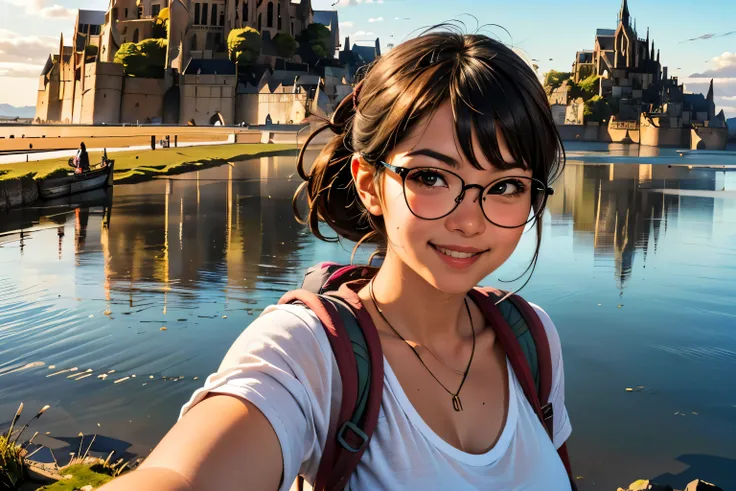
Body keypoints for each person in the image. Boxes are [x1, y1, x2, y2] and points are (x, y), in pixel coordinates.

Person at [99, 27, 570, 491]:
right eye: (430, 177)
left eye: (506, 185)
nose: (469, 221)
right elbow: (181, 478)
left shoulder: (533, 340)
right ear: (369, 183)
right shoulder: (305, 352)